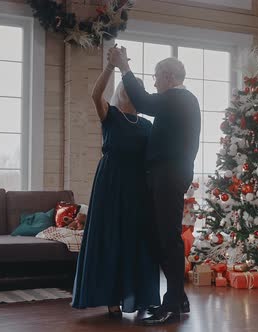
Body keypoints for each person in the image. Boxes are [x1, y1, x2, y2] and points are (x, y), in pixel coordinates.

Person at [108, 47, 201, 325]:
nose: (154, 82)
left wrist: (124, 68)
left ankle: (172, 305)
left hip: (168, 175)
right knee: (159, 236)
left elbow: (144, 102)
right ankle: (178, 298)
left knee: (167, 238)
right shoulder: (177, 101)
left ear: (169, 76)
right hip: (165, 174)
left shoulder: (179, 98)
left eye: (156, 77)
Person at [71, 54, 160, 318]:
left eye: (130, 88)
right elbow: (95, 93)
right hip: (110, 183)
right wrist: (111, 66)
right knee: (110, 238)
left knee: (137, 240)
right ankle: (111, 297)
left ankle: (143, 297)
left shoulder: (147, 125)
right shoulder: (110, 115)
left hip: (138, 186)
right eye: (123, 87)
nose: (125, 91)